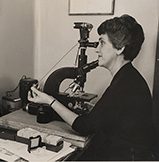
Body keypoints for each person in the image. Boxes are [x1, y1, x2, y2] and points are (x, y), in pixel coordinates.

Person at [28, 14, 158, 161]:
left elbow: (84, 127)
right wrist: (92, 109)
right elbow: (116, 114)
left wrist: (49, 100)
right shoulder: (129, 77)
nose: (97, 49)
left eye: (102, 42)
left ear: (120, 48)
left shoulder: (123, 86)